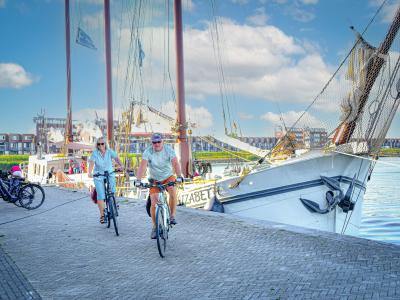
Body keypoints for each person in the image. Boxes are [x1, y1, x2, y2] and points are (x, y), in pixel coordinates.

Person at [135, 133, 183, 239]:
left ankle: (172, 216)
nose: (156, 144)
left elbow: (175, 163)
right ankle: (155, 227)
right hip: (154, 179)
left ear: (162, 142)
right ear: (151, 143)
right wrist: (138, 180)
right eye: (154, 142)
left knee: (173, 191)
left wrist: (179, 176)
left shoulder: (168, 150)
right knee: (153, 202)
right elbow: (143, 166)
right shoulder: (148, 152)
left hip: (168, 176)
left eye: (158, 142)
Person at [88, 137, 124, 224]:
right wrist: (89, 172)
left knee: (112, 190)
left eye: (102, 143)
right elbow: (92, 163)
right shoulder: (95, 153)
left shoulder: (109, 151)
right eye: (99, 144)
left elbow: (116, 158)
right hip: (98, 175)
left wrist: (121, 165)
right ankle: (102, 215)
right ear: (97, 145)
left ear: (105, 144)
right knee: (101, 195)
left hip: (109, 173)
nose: (101, 146)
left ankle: (114, 202)